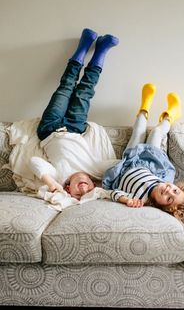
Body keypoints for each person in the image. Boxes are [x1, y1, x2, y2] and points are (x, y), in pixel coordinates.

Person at [102, 84, 184, 219]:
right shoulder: (168, 186)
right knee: (156, 132)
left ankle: (144, 108)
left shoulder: (142, 199)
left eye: (169, 199)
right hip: (151, 165)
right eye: (175, 190)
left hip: (127, 164)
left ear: (162, 206)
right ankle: (170, 115)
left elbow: (114, 193)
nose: (168, 190)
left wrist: (127, 201)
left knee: (139, 132)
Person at [30, 28, 119, 200]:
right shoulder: (94, 169)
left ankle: (83, 46)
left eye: (79, 194)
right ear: (94, 184)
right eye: (89, 191)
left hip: (49, 128)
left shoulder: (59, 177)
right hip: (75, 127)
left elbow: (35, 162)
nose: (84, 190)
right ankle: (101, 50)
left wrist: (52, 184)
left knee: (65, 88)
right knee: (84, 92)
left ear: (69, 190)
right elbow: (120, 164)